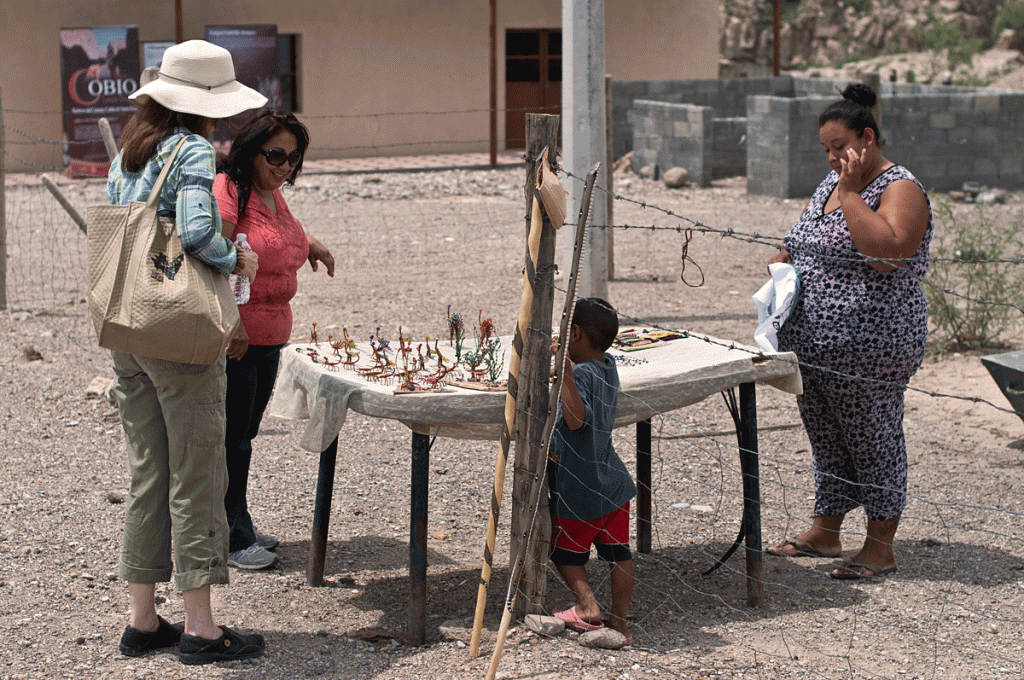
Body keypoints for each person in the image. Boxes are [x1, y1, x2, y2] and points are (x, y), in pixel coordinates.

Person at [106, 40, 268, 664]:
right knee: (197, 468)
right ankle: (201, 627)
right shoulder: (194, 150)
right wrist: (237, 259)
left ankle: (142, 619)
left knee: (148, 470)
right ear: (208, 104)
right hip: (176, 328)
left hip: (128, 325)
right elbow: (199, 232)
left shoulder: (130, 152)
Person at [765, 83, 932, 580]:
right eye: (828, 151)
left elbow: (887, 254)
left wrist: (854, 191)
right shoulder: (832, 182)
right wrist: (786, 256)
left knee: (873, 436)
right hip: (816, 343)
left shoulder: (897, 187)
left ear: (869, 137)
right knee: (828, 434)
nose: (835, 158)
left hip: (872, 344)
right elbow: (808, 234)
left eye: (841, 148)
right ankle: (827, 529)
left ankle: (880, 545)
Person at [215, 110, 335, 570]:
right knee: (233, 440)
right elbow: (217, 254)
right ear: (251, 151)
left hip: (270, 336)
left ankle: (235, 519)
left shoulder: (271, 195)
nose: (285, 166)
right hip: (238, 338)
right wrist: (231, 322)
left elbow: (280, 237)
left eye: (293, 157)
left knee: (244, 434)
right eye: (276, 155)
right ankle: (230, 534)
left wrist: (315, 246)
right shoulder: (230, 190)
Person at [548, 298, 636, 645]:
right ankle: (621, 623)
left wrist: (565, 375)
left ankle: (587, 607)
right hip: (613, 483)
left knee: (566, 555)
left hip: (580, 486)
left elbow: (575, 419)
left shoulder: (580, 373)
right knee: (619, 554)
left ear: (575, 333)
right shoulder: (608, 366)